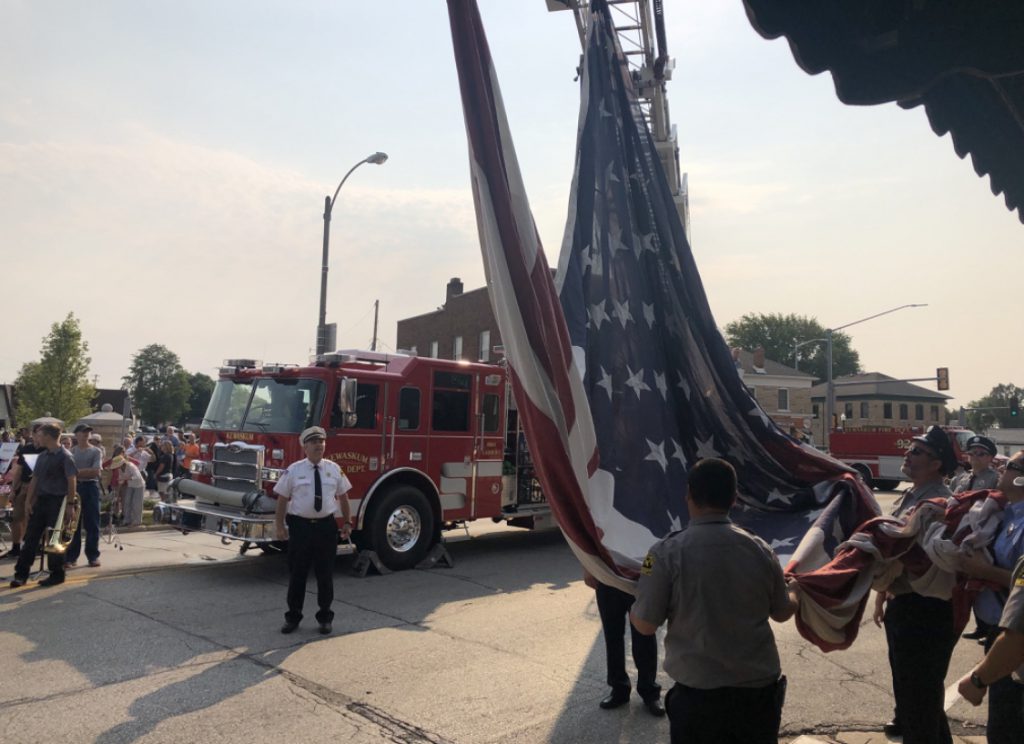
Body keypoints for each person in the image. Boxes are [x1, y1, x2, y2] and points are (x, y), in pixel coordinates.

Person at [631, 458, 799, 744]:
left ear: (688, 494)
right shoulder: (760, 549)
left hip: (699, 702)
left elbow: (645, 626)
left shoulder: (663, 553)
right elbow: (782, 613)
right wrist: (795, 591)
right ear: (734, 499)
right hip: (756, 697)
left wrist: (637, 601)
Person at [872, 425, 959, 743]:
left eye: (918, 451)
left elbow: (922, 558)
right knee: (921, 700)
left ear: (937, 463)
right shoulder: (913, 494)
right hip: (906, 605)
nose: (908, 454)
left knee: (918, 701)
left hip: (925, 612)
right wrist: (884, 593)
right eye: (909, 448)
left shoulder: (940, 504)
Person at [956, 450, 1024, 743]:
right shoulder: (1005, 512)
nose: (1000, 467)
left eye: (1009, 465)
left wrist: (978, 679)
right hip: (997, 630)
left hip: (1012, 642)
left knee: (1006, 730)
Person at [273, 426, 352, 635]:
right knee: (297, 574)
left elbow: (343, 497)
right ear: (305, 447)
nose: (319, 445)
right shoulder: (294, 470)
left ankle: (325, 618)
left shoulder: (334, 469)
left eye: (322, 442)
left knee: (325, 575)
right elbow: (282, 499)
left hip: (326, 527)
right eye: (314, 442)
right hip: (301, 528)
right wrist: (279, 525)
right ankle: (293, 617)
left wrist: (347, 522)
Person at [583, 570, 663, 716]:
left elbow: (651, 548)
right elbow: (589, 546)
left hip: (640, 580)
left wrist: (647, 574)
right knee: (612, 635)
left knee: (644, 635)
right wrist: (588, 568)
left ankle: (649, 691)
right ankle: (619, 689)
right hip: (607, 578)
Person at [9, 423, 78, 588]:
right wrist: (28, 501)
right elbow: (35, 480)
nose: (36, 438)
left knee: (54, 540)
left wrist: (70, 505)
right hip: (42, 501)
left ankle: (57, 574)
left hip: (58, 501)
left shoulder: (65, 456)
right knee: (30, 538)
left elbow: (71, 481)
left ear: (48, 436)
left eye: (39, 435)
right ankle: (21, 574)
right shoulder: (43, 456)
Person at [959, 435, 1005, 641]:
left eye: (981, 453)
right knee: (970, 583)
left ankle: (992, 628)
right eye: (972, 453)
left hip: (986, 536)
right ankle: (981, 625)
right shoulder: (961, 479)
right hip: (962, 534)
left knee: (986, 583)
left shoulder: (995, 479)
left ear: (990, 458)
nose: (975, 457)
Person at [0, 424, 44, 561]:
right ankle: (16, 547)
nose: (39, 436)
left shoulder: (48, 450)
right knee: (17, 517)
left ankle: (37, 546)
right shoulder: (27, 448)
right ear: (34, 434)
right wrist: (13, 490)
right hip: (24, 486)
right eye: (38, 433)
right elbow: (18, 470)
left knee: (35, 518)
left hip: (40, 487)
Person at [65, 423, 103, 568]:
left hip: (90, 487)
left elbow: (95, 471)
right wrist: (75, 473)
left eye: (88, 432)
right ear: (77, 435)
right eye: (83, 432)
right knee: (72, 523)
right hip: (75, 488)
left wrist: (74, 472)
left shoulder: (96, 451)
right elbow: (66, 472)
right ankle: (71, 557)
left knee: (92, 523)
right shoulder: (71, 452)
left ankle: (93, 556)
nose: (86, 434)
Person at [110, 455, 146, 527]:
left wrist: (126, 478)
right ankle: (127, 520)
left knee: (136, 503)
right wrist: (117, 493)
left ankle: (137, 521)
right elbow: (121, 480)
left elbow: (137, 476)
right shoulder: (120, 469)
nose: (117, 467)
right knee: (127, 502)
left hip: (139, 485)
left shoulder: (131, 466)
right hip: (130, 485)